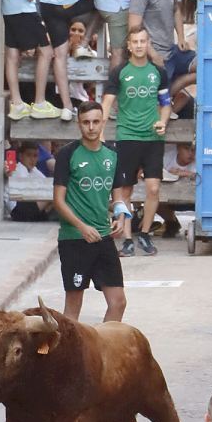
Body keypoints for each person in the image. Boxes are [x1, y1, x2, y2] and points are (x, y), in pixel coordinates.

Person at [52, 101, 127, 321]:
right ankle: (69, 345)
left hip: (103, 237)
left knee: (118, 302)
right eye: (86, 122)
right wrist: (82, 227)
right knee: (73, 308)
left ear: (103, 122)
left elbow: (118, 196)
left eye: (96, 121)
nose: (91, 127)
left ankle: (104, 342)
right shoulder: (67, 154)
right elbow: (58, 200)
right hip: (74, 239)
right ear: (79, 124)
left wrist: (121, 216)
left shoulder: (112, 154)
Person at [103, 23, 171, 258]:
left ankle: (144, 233)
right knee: (125, 190)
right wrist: (100, 131)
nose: (140, 45)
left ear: (148, 44)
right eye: (135, 42)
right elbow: (106, 103)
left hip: (152, 138)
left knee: (153, 188)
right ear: (129, 46)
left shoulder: (158, 72)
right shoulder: (119, 72)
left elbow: (166, 104)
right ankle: (127, 239)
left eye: (143, 41)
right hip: (127, 136)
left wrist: (163, 121)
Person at [128, 0, 195, 107]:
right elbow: (134, 29)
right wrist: (152, 54)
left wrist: (181, 38)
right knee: (152, 102)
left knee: (204, 66)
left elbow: (175, 10)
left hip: (173, 50)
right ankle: (165, 104)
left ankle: (171, 95)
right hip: (156, 55)